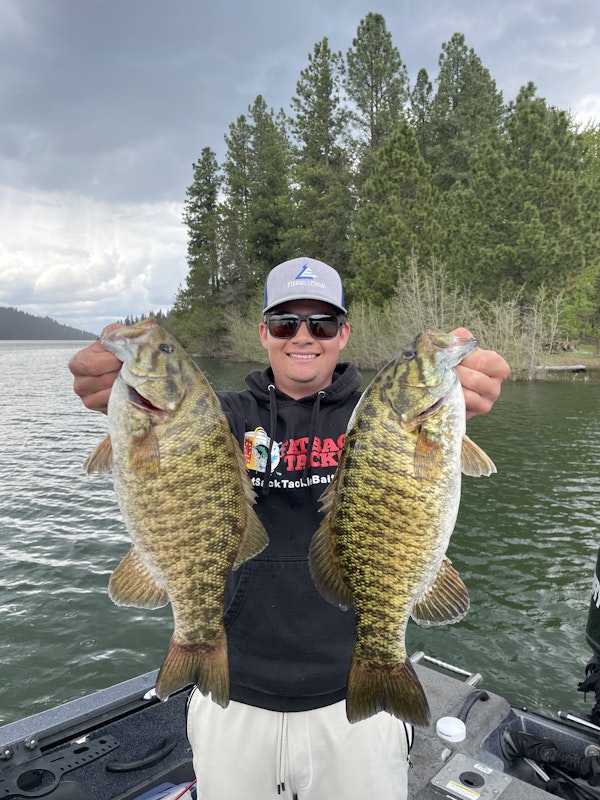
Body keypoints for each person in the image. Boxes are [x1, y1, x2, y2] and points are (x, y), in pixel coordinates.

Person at [69, 256, 510, 800]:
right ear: (264, 334)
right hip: (234, 700)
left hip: (352, 702)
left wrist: (465, 391)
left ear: (343, 333)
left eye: (321, 323)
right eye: (285, 323)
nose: (303, 336)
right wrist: (110, 388)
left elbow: (449, 411)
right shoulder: (219, 417)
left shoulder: (375, 418)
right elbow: (171, 435)